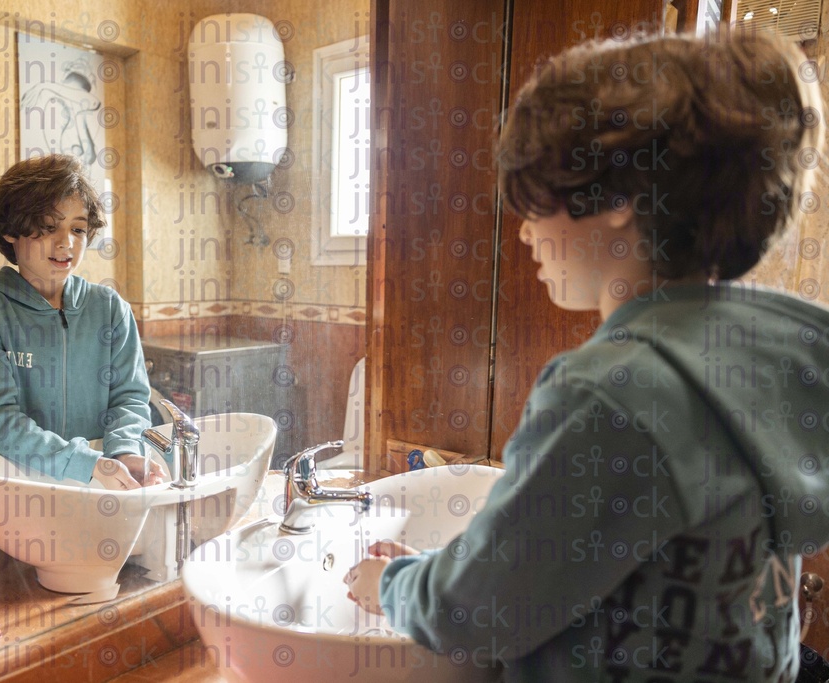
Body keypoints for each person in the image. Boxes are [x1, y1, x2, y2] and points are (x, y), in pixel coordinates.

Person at [345, 30, 829, 682]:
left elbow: (481, 609)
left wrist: (392, 582)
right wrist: (449, 566)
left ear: (618, 200)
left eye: (533, 196)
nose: (522, 229)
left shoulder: (612, 394)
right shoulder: (769, 362)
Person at [0, 154, 167, 515]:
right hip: (17, 499)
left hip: (102, 494)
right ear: (10, 230)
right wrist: (88, 463)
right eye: (48, 226)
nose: (66, 243)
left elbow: (130, 399)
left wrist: (126, 451)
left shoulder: (110, 308)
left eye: (78, 229)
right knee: (14, 574)